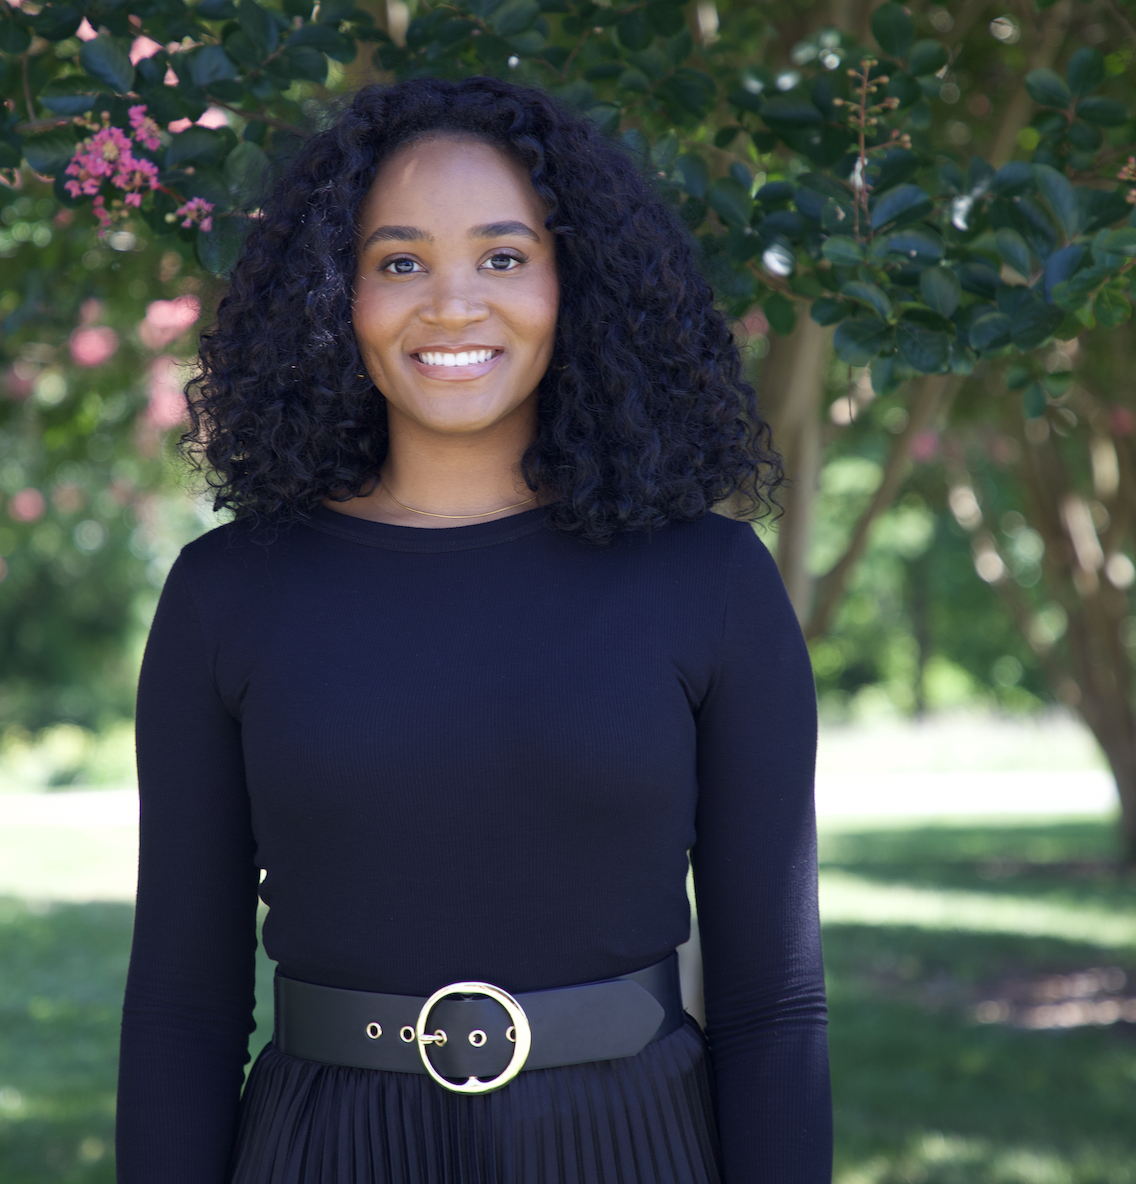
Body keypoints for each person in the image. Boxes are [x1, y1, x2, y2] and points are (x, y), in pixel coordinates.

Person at [117, 75, 829, 1184]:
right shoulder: (228, 594)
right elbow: (179, 1007)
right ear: (332, 294)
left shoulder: (711, 582)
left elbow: (773, 1004)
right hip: (324, 1148)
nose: (451, 304)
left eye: (504, 257)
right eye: (399, 261)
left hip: (633, 1143)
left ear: (573, 282)